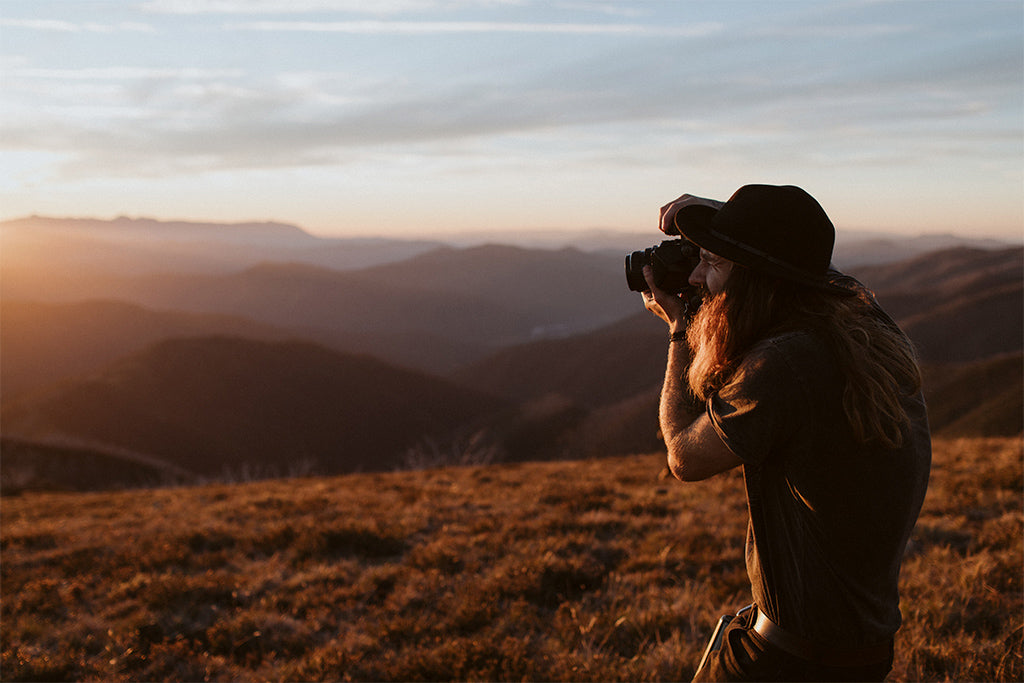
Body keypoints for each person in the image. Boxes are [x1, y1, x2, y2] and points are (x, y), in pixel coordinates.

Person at [640, 185, 931, 682]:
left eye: (712, 262)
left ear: (758, 279)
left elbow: (684, 457)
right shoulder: (866, 328)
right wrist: (716, 216)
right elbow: (812, 266)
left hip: (791, 664)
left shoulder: (788, 365)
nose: (695, 277)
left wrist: (678, 331)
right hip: (860, 651)